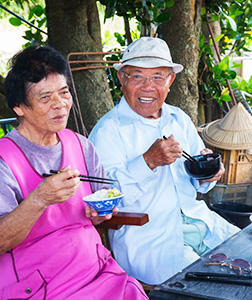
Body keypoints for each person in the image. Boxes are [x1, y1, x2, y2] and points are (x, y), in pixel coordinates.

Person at [89, 37, 240, 285]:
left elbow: (199, 183)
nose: (148, 87)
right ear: (122, 79)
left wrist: (208, 174)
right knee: (210, 286)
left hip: (200, 221)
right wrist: (147, 161)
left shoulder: (178, 119)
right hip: (150, 237)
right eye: (137, 77)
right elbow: (106, 201)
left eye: (158, 77)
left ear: (170, 81)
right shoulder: (108, 131)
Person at [0, 45, 147, 299]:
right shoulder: (4, 159)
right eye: (45, 98)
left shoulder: (80, 144)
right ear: (18, 107)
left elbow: (102, 208)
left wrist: (101, 212)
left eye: (64, 92)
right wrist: (40, 199)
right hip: (40, 286)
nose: (60, 105)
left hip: (97, 271)